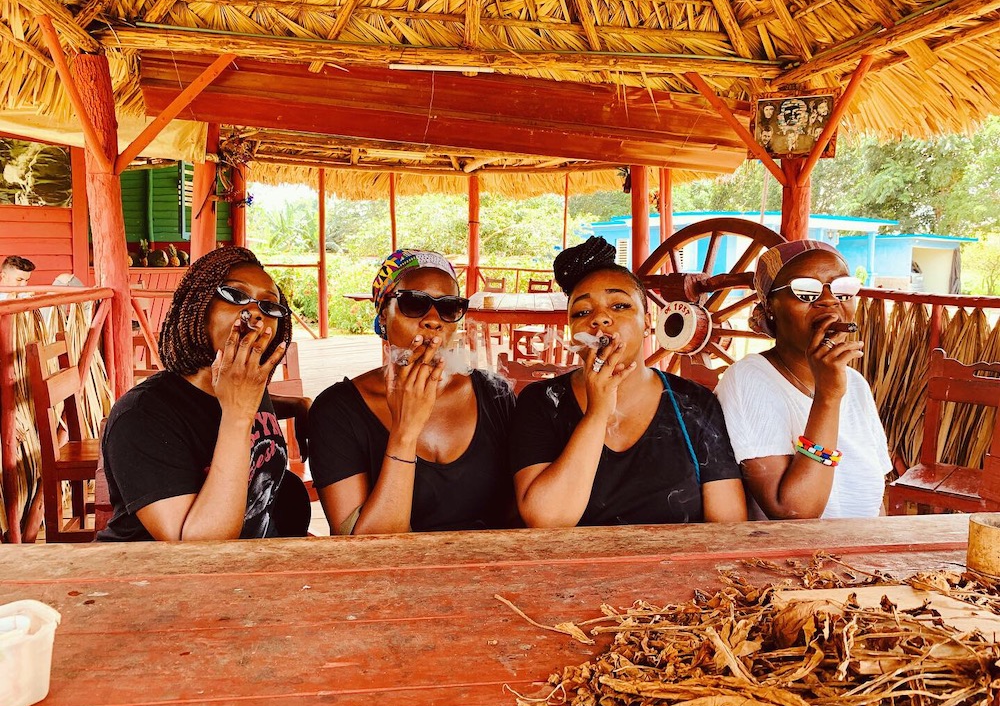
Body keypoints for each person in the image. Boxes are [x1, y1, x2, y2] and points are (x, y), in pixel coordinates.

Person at [510, 237, 747, 527]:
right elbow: (547, 520)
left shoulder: (695, 404)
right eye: (582, 312)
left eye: (620, 306)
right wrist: (598, 413)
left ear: (647, 322)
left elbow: (728, 526)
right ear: (572, 331)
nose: (599, 319)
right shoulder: (541, 401)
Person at [97, 245, 310, 541]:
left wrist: (299, 406)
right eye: (236, 295)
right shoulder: (141, 416)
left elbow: (212, 406)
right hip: (163, 576)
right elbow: (198, 549)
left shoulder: (243, 384)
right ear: (198, 306)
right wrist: (238, 416)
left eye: (269, 306)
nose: (255, 314)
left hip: (253, 565)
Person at [308, 249, 516, 534]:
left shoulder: (495, 395)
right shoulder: (336, 411)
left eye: (449, 307)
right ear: (384, 315)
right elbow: (367, 550)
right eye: (414, 303)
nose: (433, 320)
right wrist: (405, 431)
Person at [715, 241, 891, 520]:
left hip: (860, 554)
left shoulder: (855, 383)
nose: (829, 301)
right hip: (795, 559)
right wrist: (828, 397)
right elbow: (794, 513)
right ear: (771, 307)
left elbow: (876, 498)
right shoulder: (748, 378)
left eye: (842, 290)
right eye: (806, 292)